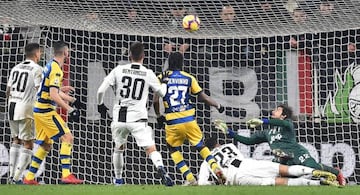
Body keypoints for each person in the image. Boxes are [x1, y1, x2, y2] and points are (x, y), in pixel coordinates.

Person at [96, 42, 173, 186]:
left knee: (118, 148)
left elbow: (100, 90)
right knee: (151, 148)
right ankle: (160, 168)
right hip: (138, 119)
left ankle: (118, 179)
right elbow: (162, 93)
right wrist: (164, 83)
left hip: (119, 118)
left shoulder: (119, 70)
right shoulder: (147, 72)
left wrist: (100, 105)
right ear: (143, 56)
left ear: (129, 55)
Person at [214, 104, 346, 186]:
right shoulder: (267, 133)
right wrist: (230, 132)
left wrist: (263, 121)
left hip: (297, 153)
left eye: (277, 110)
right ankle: (326, 184)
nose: (273, 111)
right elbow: (248, 141)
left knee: (313, 167)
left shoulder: (287, 124)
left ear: (283, 115)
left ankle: (336, 172)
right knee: (285, 180)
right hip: (283, 159)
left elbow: (282, 124)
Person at [153, 52, 226, 185]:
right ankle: (215, 168)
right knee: (201, 146)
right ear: (182, 63)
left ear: (169, 63)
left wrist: (158, 116)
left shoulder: (161, 77)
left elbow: (155, 100)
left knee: (172, 148)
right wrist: (218, 105)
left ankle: (189, 177)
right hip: (189, 118)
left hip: (172, 121)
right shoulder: (189, 78)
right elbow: (204, 97)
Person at [23, 41, 84, 185]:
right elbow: (53, 95)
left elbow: (53, 91)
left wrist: (72, 99)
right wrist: (70, 109)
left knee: (46, 145)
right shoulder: (56, 69)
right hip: (46, 111)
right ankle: (66, 174)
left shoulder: (50, 64)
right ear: (65, 53)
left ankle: (29, 177)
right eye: (68, 51)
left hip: (39, 109)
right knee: (68, 137)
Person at [198, 136, 339, 186]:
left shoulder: (206, 161)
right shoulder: (229, 146)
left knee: (276, 182)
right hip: (247, 164)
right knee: (283, 170)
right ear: (217, 144)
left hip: (235, 178)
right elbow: (238, 157)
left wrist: (214, 182)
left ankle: (318, 183)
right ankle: (314, 172)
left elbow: (203, 183)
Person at [6, 43, 43, 183]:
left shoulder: (15, 67)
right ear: (36, 53)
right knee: (28, 144)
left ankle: (11, 175)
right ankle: (16, 178)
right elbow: (40, 90)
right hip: (26, 107)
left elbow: (7, 91)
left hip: (12, 105)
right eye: (40, 52)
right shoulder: (37, 69)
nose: (41, 55)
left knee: (16, 139)